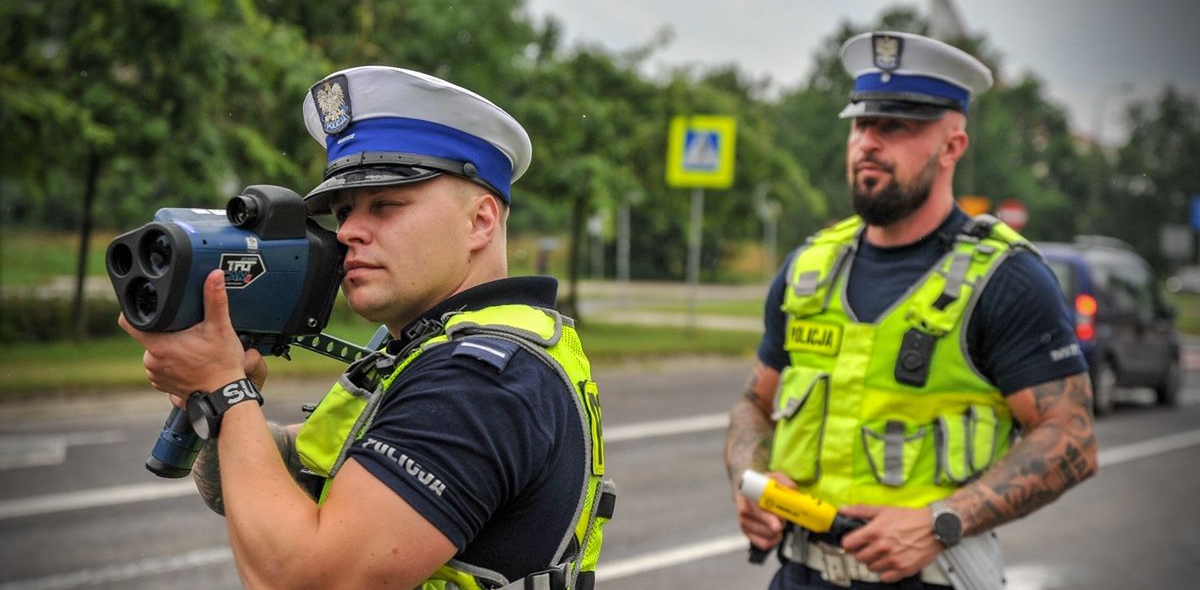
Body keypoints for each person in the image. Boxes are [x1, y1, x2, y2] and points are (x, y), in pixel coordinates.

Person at [120, 66, 614, 590]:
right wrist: (222, 403)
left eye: (385, 206)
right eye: (343, 212)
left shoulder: (479, 381)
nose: (349, 231)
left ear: (480, 222)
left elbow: (307, 579)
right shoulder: (438, 349)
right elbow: (291, 480)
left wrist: (226, 391)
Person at [724, 32, 1098, 590]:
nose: (868, 143)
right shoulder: (808, 269)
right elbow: (754, 404)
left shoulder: (1006, 279)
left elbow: (1072, 437)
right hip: (800, 576)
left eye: (896, 127)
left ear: (952, 146)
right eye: (861, 124)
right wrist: (751, 480)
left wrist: (942, 520)